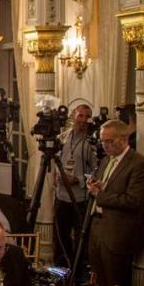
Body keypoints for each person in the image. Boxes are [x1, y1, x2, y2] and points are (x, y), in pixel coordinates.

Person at [87, 120, 144, 286]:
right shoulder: (106, 160)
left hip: (117, 235)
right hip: (97, 229)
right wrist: (98, 186)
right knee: (99, 285)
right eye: (102, 141)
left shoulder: (139, 164)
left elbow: (133, 200)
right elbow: (107, 188)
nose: (105, 145)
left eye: (109, 141)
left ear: (123, 139)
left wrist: (101, 195)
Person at [53, 104, 97, 265]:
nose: (84, 120)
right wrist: (55, 177)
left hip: (80, 199)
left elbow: (97, 171)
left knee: (80, 238)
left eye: (87, 117)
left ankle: (77, 271)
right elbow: (54, 163)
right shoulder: (62, 138)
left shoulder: (91, 144)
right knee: (60, 236)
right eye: (80, 116)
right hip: (60, 196)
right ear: (73, 117)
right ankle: (61, 269)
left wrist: (78, 178)